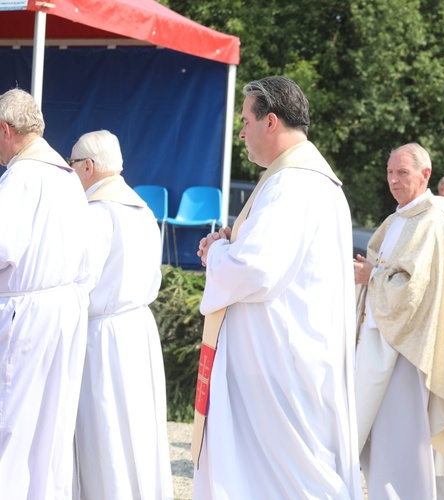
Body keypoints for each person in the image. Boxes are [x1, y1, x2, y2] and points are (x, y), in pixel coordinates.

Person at [192, 76, 361, 499]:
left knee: (289, 477)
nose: (242, 132)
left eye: (246, 121)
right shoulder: (305, 179)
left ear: (271, 121)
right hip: (288, 349)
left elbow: (256, 269)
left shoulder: (292, 184)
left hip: (280, 359)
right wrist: (234, 244)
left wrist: (216, 252)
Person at [354, 143, 444, 499]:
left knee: (402, 437)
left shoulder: (431, 221)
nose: (394, 180)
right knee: (380, 437)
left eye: (402, 172)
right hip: (381, 342)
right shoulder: (396, 220)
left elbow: (412, 289)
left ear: (424, 175)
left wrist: (371, 275)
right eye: (390, 172)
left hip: (409, 350)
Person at [69, 130, 173, 499]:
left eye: (72, 165)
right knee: (138, 429)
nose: (71, 174)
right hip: (138, 328)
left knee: (106, 428)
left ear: (89, 167)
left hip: (102, 336)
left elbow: (80, 279)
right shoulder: (142, 208)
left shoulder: (97, 212)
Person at [0, 88, 90, 498]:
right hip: (65, 309)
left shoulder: (21, 176)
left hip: (27, 312)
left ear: (5, 130)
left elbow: (3, 248)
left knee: (13, 421)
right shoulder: (67, 176)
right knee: (50, 425)